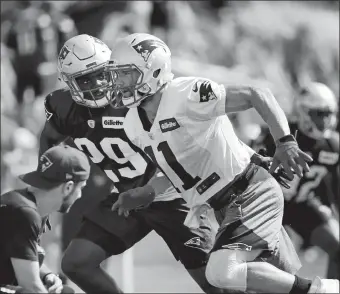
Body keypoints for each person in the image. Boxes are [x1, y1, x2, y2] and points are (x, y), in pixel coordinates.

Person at [104, 33, 339, 293]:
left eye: (125, 73)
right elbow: (177, 173)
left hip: (249, 190)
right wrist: (145, 192)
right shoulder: (133, 123)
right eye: (116, 74)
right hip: (222, 206)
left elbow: (256, 94)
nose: (118, 82)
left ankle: (323, 290)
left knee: (221, 271)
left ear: (153, 70)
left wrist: (285, 142)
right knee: (255, 284)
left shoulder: (185, 94)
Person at [39, 34, 220, 294]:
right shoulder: (64, 107)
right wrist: (47, 190)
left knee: (216, 283)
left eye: (101, 74)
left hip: (173, 197)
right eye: (85, 79)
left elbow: (186, 147)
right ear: (69, 83)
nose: (97, 84)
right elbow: (49, 137)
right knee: (76, 262)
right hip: (125, 199)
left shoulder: (137, 99)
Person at [255, 82, 339, 279]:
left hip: (303, 205)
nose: (325, 120)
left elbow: (335, 187)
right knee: (278, 265)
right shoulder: (281, 134)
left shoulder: (333, 145)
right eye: (319, 114)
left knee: (338, 247)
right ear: (303, 112)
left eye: (328, 113)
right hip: (271, 207)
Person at [0, 145, 90, 293]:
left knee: (65, 291)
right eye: (81, 188)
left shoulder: (30, 205)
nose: (79, 195)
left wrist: (48, 275)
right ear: (68, 187)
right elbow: (31, 286)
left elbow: (24, 255)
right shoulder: (24, 213)